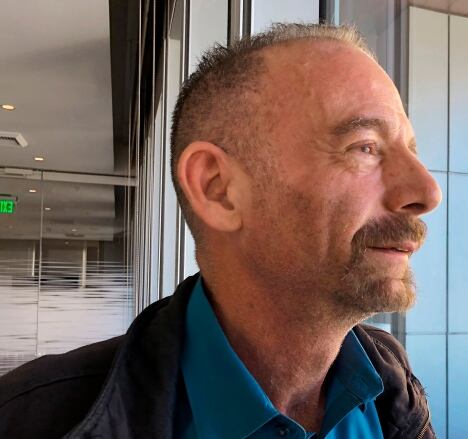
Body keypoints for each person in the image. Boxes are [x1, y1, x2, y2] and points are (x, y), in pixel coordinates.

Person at [0, 23, 441, 439]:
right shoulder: (29, 417)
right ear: (218, 189)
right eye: (364, 147)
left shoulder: (391, 383)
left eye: (412, 151)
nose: (428, 191)